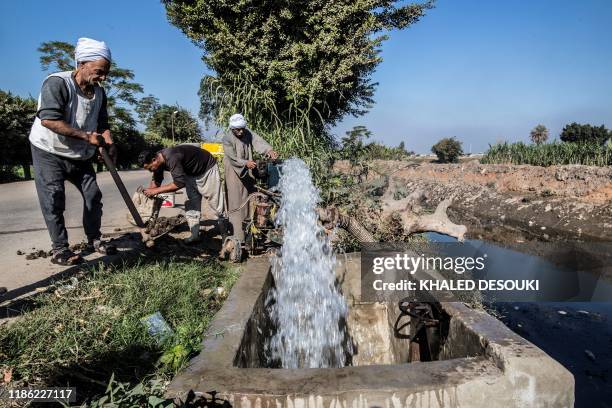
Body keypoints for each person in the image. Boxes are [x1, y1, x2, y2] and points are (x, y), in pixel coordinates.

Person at [29, 37, 117, 265]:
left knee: (93, 195)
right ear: (82, 64)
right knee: (54, 198)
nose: (103, 77)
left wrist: (107, 140)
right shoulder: (57, 83)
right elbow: (49, 120)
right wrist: (88, 137)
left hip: (79, 154)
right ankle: (60, 249)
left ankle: (95, 239)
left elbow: (102, 123)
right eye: (99, 71)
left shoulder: (99, 93)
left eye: (106, 72)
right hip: (49, 150)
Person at [139, 145, 225, 242]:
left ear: (154, 160)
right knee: (192, 204)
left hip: (206, 170)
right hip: (190, 174)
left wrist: (155, 191)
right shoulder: (158, 160)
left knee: (216, 204)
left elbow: (179, 183)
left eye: (150, 168)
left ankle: (226, 235)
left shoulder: (172, 157)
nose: (151, 171)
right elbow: (157, 180)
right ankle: (195, 235)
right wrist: (150, 194)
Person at [222, 113, 278, 242]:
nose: (241, 132)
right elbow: (232, 158)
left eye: (242, 128)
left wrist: (268, 150)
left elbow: (258, 142)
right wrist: (245, 163)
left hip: (248, 169)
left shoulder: (247, 132)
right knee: (237, 202)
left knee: (252, 199)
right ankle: (238, 237)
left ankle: (252, 234)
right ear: (232, 128)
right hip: (234, 171)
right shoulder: (227, 139)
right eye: (237, 129)